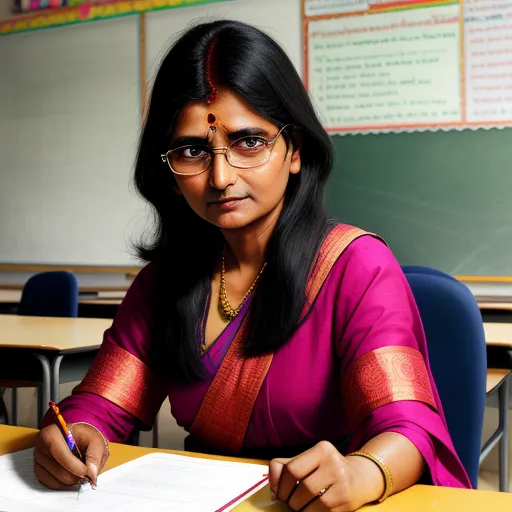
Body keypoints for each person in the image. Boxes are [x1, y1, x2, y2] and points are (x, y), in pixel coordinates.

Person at [33, 20, 470, 511]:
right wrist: (71, 437)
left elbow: (408, 427)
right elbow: (100, 404)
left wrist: (362, 471)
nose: (220, 177)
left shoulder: (357, 268)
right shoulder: (165, 283)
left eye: (249, 142)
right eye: (193, 150)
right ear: (170, 173)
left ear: (295, 151)